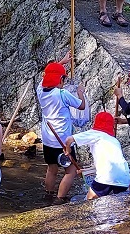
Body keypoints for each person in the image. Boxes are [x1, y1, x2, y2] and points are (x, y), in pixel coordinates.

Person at [36, 53, 86, 205]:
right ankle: (59, 200)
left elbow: (48, 72)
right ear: (60, 80)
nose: (64, 81)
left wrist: (62, 62)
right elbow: (81, 106)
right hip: (63, 142)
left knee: (51, 169)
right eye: (63, 78)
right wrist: (80, 93)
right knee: (70, 171)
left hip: (48, 140)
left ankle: (48, 196)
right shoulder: (62, 94)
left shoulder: (40, 90)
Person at [64, 112, 130, 200]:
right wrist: (86, 171)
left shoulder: (95, 133)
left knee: (88, 203)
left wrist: (68, 149)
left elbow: (69, 140)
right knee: (118, 206)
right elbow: (107, 164)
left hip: (106, 178)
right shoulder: (114, 140)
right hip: (125, 179)